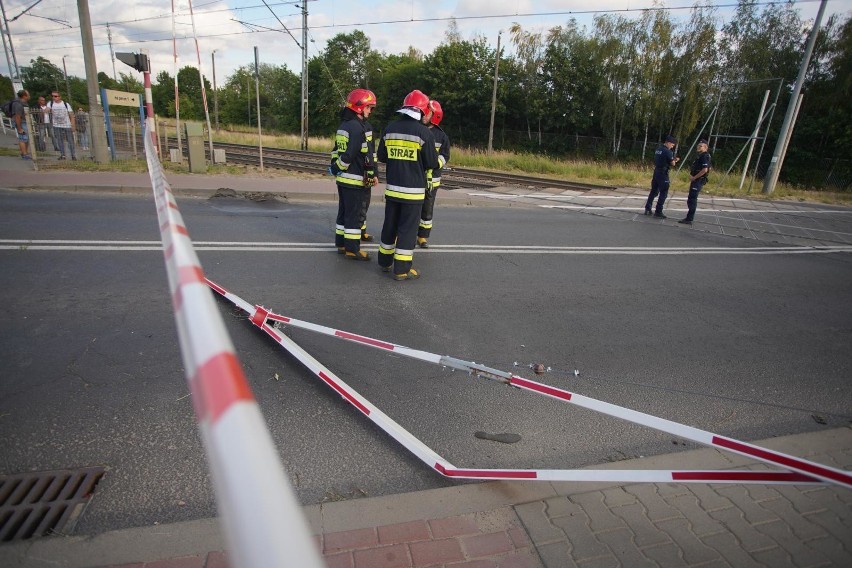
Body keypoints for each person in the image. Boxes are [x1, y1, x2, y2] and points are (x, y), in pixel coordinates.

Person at [377, 90, 440, 281]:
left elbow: (381, 157)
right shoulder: (424, 133)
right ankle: (402, 269)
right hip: (413, 192)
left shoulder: (389, 128)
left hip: (393, 189)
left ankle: (385, 262)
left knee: (390, 225)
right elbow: (431, 163)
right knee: (407, 230)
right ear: (421, 110)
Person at [330, 88, 378, 261]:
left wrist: (335, 168)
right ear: (359, 107)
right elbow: (350, 154)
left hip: (342, 180)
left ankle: (341, 243)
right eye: (368, 108)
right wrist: (341, 167)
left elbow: (336, 151)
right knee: (353, 215)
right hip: (354, 179)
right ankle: (352, 249)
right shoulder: (357, 128)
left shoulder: (343, 125)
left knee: (343, 212)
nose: (370, 111)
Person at [416, 99, 451, 249]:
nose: (424, 115)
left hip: (432, 180)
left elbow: (445, 155)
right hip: (416, 177)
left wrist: (436, 164)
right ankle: (404, 233)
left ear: (435, 116)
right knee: (411, 207)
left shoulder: (442, 136)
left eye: (427, 113)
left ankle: (422, 236)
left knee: (427, 209)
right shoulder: (416, 129)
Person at [644, 134, 679, 218]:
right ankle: (658, 211)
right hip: (663, 173)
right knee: (664, 192)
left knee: (654, 191)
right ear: (668, 143)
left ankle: (648, 208)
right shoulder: (668, 151)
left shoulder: (658, 149)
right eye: (672, 145)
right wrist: (675, 160)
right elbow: (672, 163)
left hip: (656, 172)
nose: (672, 147)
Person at [679, 139, 712, 225]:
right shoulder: (700, 155)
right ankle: (689, 217)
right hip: (696, 180)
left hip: (698, 180)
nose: (698, 147)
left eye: (700, 146)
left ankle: (689, 219)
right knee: (690, 199)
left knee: (692, 199)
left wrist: (694, 177)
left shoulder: (705, 156)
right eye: (698, 145)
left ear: (705, 147)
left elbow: (705, 169)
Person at [48, 90, 76, 160]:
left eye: (55, 96)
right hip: (56, 125)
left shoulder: (65, 104)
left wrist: (73, 125)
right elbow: (46, 110)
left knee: (70, 140)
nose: (54, 98)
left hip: (66, 125)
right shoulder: (51, 103)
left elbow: (72, 115)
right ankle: (62, 155)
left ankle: (73, 155)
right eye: (52, 96)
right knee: (59, 140)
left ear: (60, 97)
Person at [11, 90, 31, 160]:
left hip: (24, 121)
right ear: (24, 96)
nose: (29, 96)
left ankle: (25, 152)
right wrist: (19, 128)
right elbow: (17, 116)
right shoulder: (18, 104)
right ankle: (24, 154)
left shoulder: (24, 103)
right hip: (21, 122)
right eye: (28, 94)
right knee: (23, 138)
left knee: (27, 138)